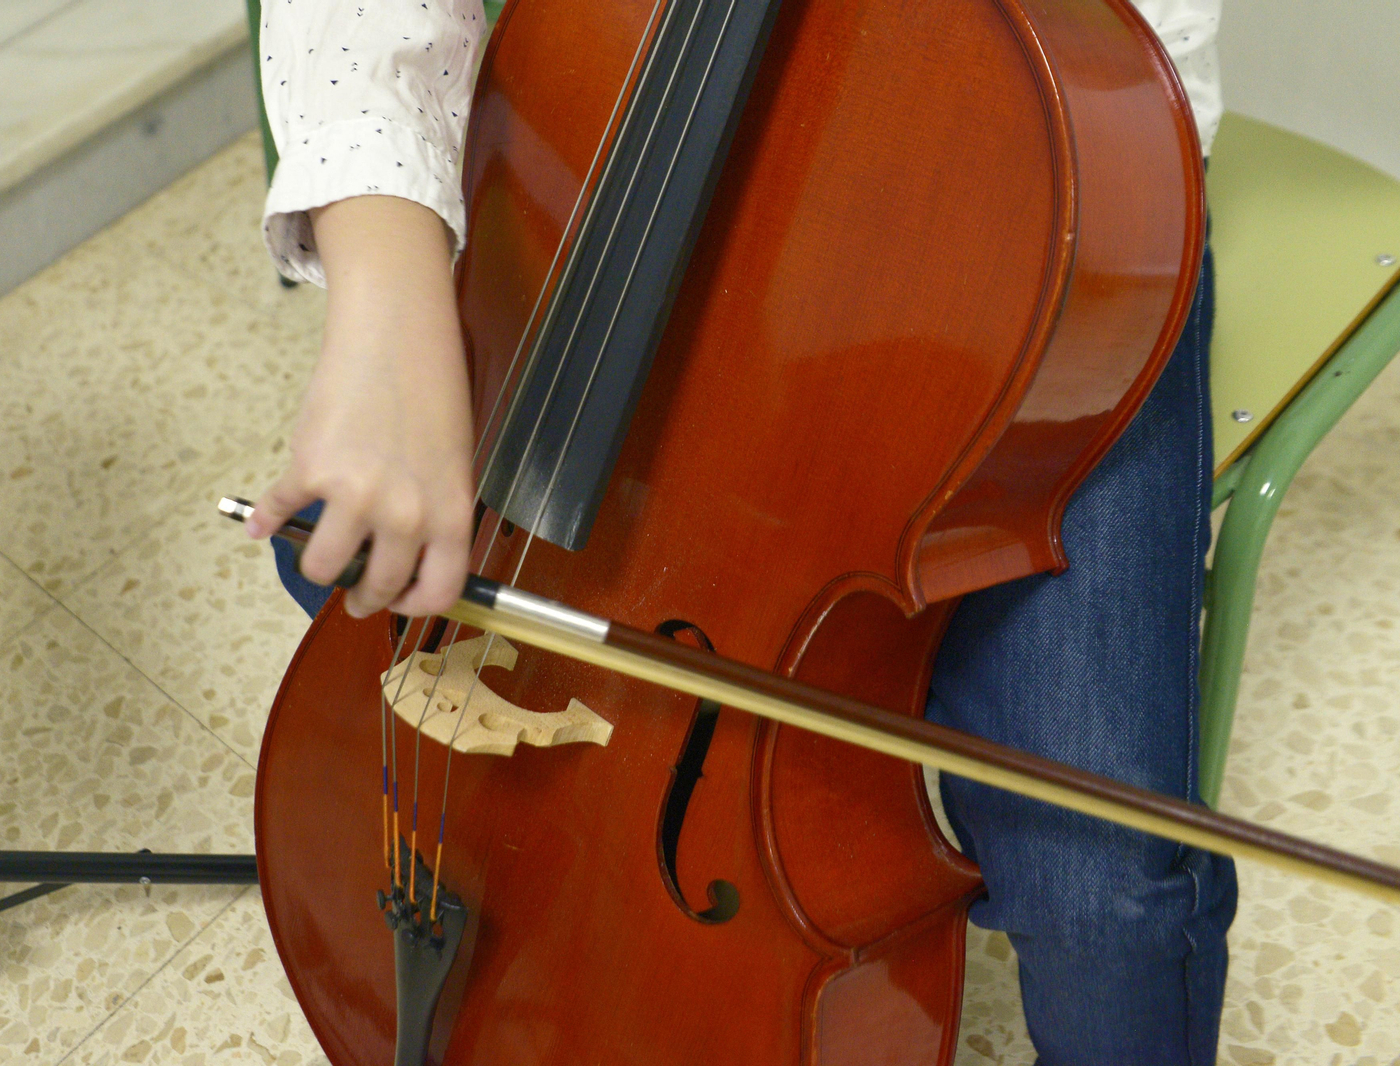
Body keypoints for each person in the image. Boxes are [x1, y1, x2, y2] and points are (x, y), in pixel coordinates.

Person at [246, 2, 1237, 1062]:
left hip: (1030, 182)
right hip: (617, 120)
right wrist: (387, 312)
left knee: (1101, 891)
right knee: (377, 551)